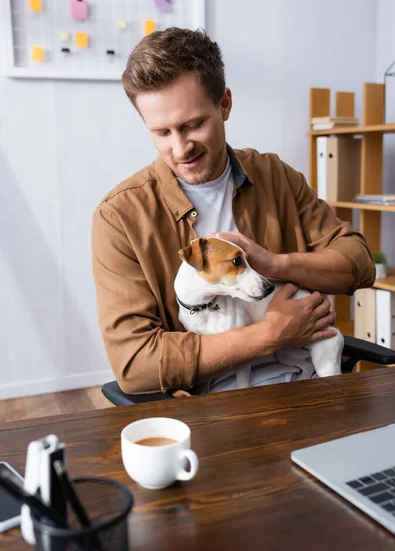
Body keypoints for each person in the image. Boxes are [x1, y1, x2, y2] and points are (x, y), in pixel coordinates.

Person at [91, 27, 375, 397]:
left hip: (309, 387)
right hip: (213, 409)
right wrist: (267, 335)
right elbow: (135, 364)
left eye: (194, 125)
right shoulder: (120, 218)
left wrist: (275, 264)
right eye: (161, 132)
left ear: (224, 104)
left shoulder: (274, 175)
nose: (180, 148)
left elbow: (358, 262)